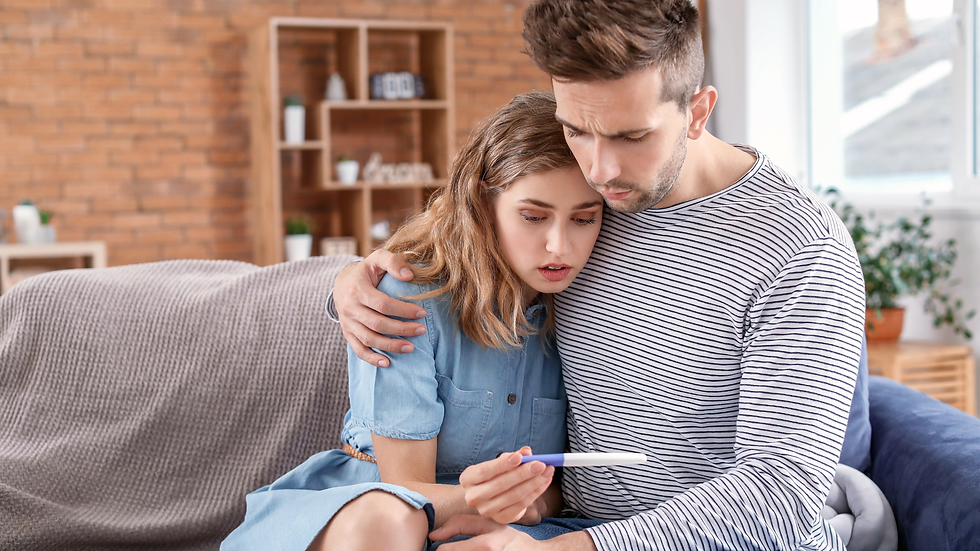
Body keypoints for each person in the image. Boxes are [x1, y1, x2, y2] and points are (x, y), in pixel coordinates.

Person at [330, 1, 867, 550]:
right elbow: (465, 239)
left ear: (698, 112)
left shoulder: (802, 248)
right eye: (577, 130)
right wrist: (356, 279)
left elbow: (784, 494)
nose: (600, 169)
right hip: (560, 526)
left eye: (631, 137)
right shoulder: (590, 207)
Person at [221, 91, 605, 551]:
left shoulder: (587, 307)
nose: (559, 247)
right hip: (376, 513)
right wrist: (485, 500)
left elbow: (571, 490)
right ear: (484, 202)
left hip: (508, 527)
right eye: (533, 216)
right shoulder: (409, 297)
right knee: (393, 522)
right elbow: (406, 490)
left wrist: (531, 506)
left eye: (584, 219)